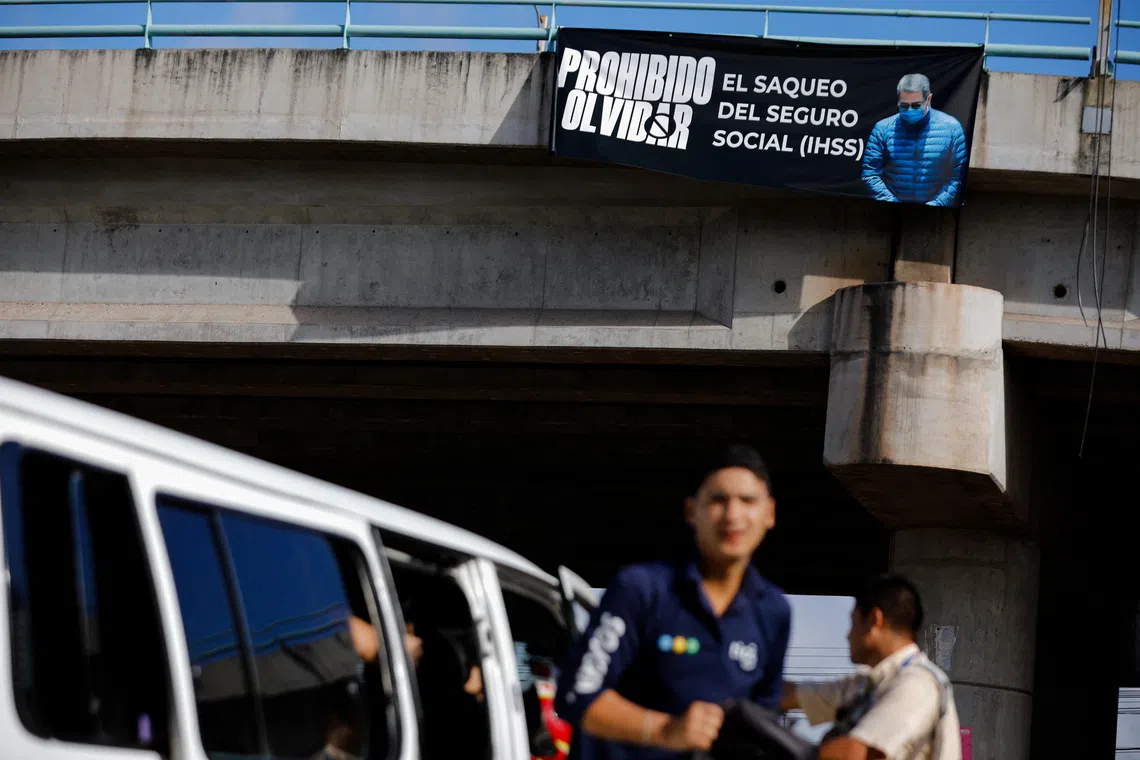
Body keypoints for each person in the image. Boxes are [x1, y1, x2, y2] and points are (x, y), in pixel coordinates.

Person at [555, 445, 791, 760]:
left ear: (770, 513)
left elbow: (763, 722)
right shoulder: (641, 590)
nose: (733, 515)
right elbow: (576, 695)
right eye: (718, 500)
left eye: (748, 501)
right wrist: (665, 729)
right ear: (692, 510)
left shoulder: (774, 611)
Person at [780, 575, 961, 760]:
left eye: (853, 622)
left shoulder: (916, 684)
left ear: (874, 620)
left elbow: (854, 753)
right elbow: (795, 695)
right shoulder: (867, 684)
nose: (847, 635)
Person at [861, 74, 968, 207]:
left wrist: (936, 205)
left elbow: (957, 177)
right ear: (898, 102)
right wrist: (892, 203)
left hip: (936, 216)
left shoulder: (952, 129)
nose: (910, 110)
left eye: (916, 105)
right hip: (890, 213)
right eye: (904, 106)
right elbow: (870, 174)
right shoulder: (882, 129)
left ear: (929, 99)